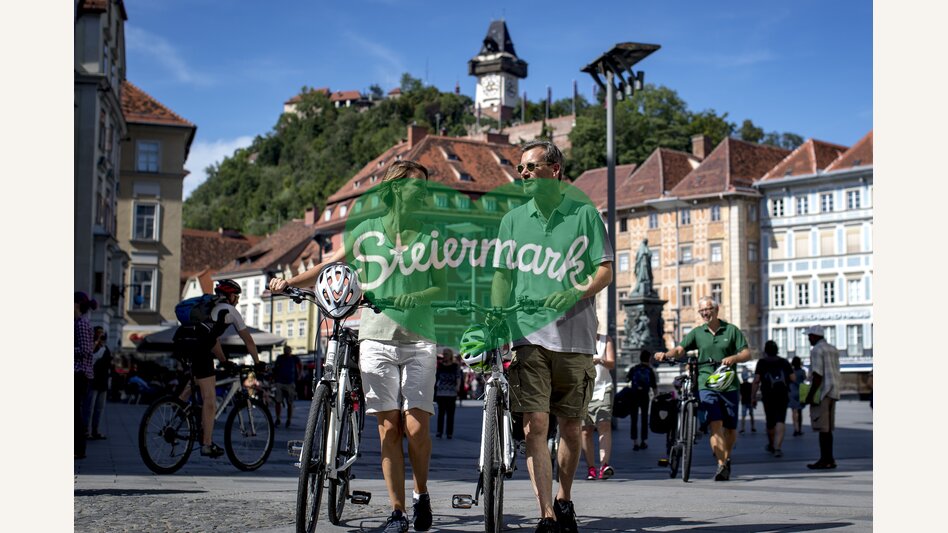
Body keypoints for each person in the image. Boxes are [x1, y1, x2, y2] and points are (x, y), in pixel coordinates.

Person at [270, 160, 443, 533]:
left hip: (420, 338)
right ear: (396, 189)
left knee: (416, 429)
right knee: (388, 429)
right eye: (418, 187)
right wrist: (288, 281)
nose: (424, 194)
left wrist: (419, 297)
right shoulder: (366, 232)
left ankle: (421, 494)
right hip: (376, 336)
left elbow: (442, 286)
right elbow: (331, 263)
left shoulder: (431, 234)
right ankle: (398, 511)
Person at [492, 140, 614, 533]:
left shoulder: (584, 215)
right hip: (529, 336)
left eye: (530, 167)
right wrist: (497, 315)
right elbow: (502, 276)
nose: (523, 174)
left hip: (577, 338)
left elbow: (605, 271)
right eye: (520, 168)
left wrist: (575, 291)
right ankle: (546, 514)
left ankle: (564, 499)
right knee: (534, 425)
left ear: (555, 169)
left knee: (572, 430)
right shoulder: (512, 220)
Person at [655, 296, 751, 481]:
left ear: (716, 309)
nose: (705, 313)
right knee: (716, 425)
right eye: (702, 311)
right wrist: (666, 354)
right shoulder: (697, 333)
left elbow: (746, 353)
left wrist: (734, 358)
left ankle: (725, 458)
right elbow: (680, 349)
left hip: (728, 384)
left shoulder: (731, 330)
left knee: (730, 429)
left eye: (708, 309)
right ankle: (721, 465)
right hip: (706, 383)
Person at [176, 279, 264, 459]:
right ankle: (207, 444)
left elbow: (212, 339)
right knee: (210, 398)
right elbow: (248, 341)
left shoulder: (208, 308)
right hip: (200, 350)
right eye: (237, 297)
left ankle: (177, 408)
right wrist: (258, 362)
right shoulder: (231, 311)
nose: (238, 300)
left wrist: (223, 360)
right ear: (231, 296)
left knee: (198, 380)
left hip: (183, 343)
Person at [803, 325, 841, 470]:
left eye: (809, 336)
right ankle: (829, 459)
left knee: (822, 428)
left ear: (815, 336)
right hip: (833, 391)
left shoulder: (817, 350)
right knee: (828, 429)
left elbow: (817, 375)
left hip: (823, 392)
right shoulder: (833, 349)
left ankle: (825, 460)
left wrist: (810, 395)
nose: (808, 339)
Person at [581, 333, 616, 480]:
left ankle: (604, 465)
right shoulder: (578, 338)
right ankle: (591, 468)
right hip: (583, 389)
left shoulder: (605, 340)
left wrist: (600, 360)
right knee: (586, 431)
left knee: (604, 424)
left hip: (603, 389)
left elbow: (612, 363)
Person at [752, 340, 795, 458]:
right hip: (782, 394)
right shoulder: (784, 362)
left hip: (768, 395)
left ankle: (771, 444)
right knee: (780, 420)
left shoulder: (762, 362)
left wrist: (753, 397)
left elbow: (756, 380)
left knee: (770, 421)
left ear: (765, 350)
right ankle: (778, 447)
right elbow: (793, 378)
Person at [74, 291, 98, 459]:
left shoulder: (81, 324)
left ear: (76, 305)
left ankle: (78, 449)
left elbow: (86, 350)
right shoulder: (78, 322)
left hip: (79, 373)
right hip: (79, 373)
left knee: (75, 413)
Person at [627, 349, 657, 451]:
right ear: (649, 358)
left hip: (634, 395)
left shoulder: (634, 368)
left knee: (634, 419)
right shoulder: (650, 370)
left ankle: (635, 442)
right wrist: (656, 397)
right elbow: (654, 386)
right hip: (645, 396)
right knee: (644, 419)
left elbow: (628, 379)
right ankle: (643, 441)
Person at [87, 328, 112, 440]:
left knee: (99, 408)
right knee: (89, 408)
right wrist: (96, 343)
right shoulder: (92, 346)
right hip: (93, 381)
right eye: (99, 333)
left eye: (103, 334)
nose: (102, 336)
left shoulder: (106, 348)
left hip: (103, 381)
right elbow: (91, 359)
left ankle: (95, 430)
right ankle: (86, 431)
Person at [434, 349, 462, 439]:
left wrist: (458, 386)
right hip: (441, 392)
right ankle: (439, 431)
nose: (444, 355)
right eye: (444, 354)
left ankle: (449, 433)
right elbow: (436, 377)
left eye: (446, 354)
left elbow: (458, 376)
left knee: (450, 414)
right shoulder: (440, 365)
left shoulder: (455, 366)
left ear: (450, 355)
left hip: (451, 392)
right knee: (441, 413)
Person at [273, 345, 302, 428]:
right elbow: (276, 368)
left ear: (290, 351)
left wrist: (299, 374)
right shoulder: (280, 358)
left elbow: (300, 365)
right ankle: (278, 418)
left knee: (290, 402)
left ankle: (289, 419)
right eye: (285, 350)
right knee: (278, 401)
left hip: (290, 382)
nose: (286, 351)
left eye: (288, 350)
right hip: (280, 382)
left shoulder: (294, 358)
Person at [789, 356, 807, 436]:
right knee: (800, 411)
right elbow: (805, 379)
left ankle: (795, 428)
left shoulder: (791, 372)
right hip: (801, 391)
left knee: (794, 411)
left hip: (792, 391)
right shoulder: (802, 371)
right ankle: (800, 428)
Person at [738, 367, 756, 434]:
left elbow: (740, 394)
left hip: (744, 402)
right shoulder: (750, 385)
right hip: (750, 401)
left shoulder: (741, 385)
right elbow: (753, 393)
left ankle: (742, 428)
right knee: (751, 415)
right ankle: (753, 427)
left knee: (743, 415)